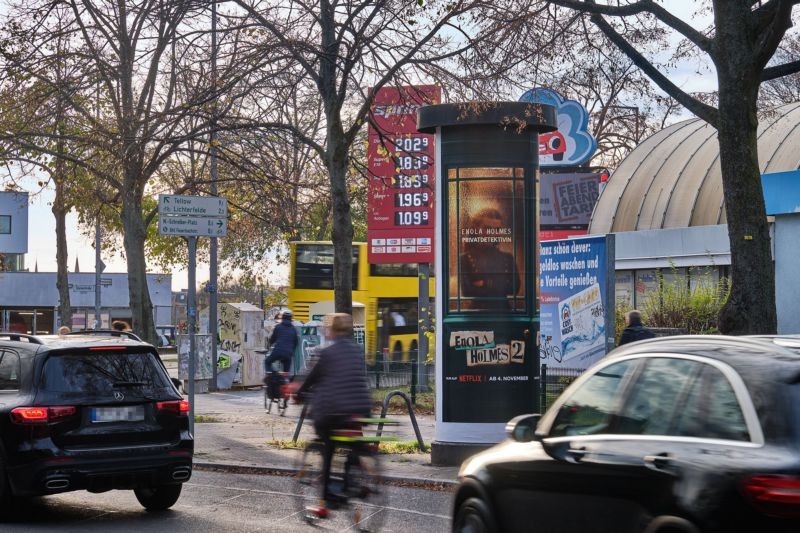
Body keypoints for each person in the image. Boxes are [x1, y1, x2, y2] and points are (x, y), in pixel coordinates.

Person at [294, 313, 372, 509]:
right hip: (361, 407)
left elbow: (312, 378)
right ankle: (351, 481)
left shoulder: (326, 353)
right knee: (351, 442)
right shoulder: (356, 350)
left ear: (332, 330)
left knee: (328, 445)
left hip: (335, 411)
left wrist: (299, 393)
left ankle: (328, 494)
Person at [459, 207, 520, 310]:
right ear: (476, 229)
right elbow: (467, 291)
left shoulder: (508, 258)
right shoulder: (465, 258)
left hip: (504, 314)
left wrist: (485, 283)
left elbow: (514, 288)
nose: (492, 233)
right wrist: (501, 284)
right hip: (477, 315)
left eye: (497, 230)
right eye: (487, 228)